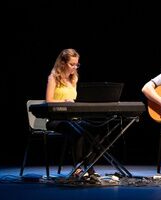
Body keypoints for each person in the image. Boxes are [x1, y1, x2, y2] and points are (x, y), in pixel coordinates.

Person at [45, 48, 96, 179]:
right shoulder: (53, 78)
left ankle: (90, 166)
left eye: (76, 64)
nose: (75, 67)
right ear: (62, 63)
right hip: (56, 120)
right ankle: (78, 168)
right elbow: (49, 101)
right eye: (71, 64)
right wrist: (64, 101)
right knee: (77, 131)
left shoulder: (74, 79)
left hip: (73, 119)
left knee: (94, 129)